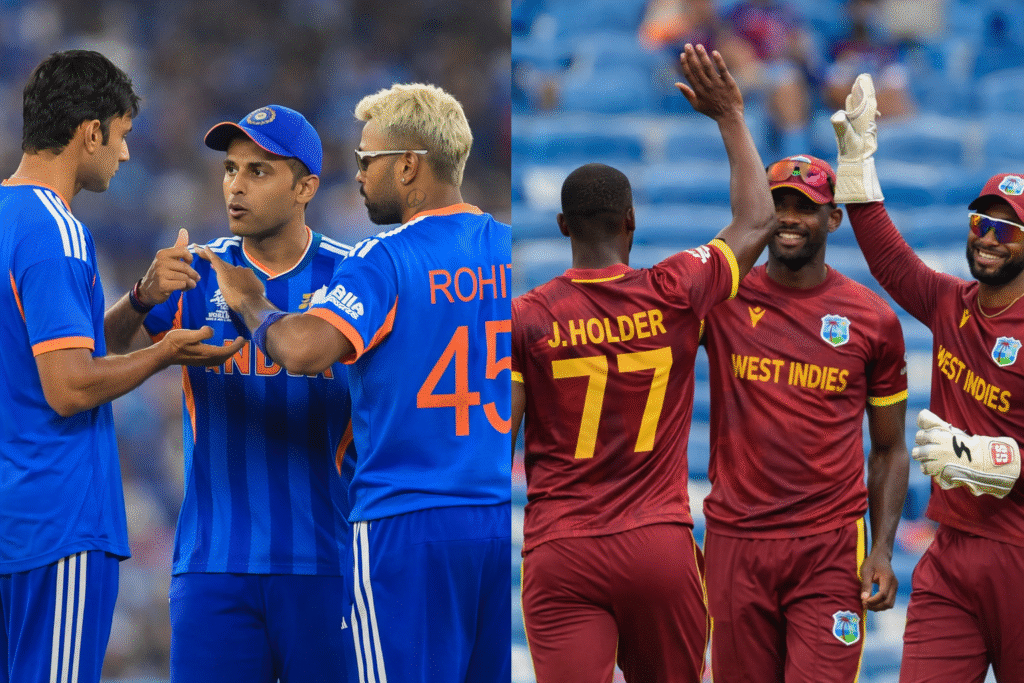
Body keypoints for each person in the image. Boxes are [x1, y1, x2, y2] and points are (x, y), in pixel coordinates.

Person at [198, 83, 511, 683]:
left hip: (407, 522)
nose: (360, 176)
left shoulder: (386, 256)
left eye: (368, 161)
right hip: (499, 518)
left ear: (409, 166)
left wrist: (253, 303)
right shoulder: (504, 246)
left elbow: (303, 350)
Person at [510, 44, 777, 683]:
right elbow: (758, 219)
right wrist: (732, 116)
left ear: (561, 226)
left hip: (560, 546)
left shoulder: (525, 317)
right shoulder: (676, 290)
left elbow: (497, 439)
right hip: (657, 544)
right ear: (630, 222)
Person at [0, 50, 243, 683]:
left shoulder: (6, 220)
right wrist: (166, 351)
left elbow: (54, 355)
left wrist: (140, 300)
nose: (126, 154)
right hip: (57, 521)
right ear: (90, 132)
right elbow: (69, 385)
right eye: (123, 135)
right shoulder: (57, 231)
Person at [103, 104, 353, 682]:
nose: (236, 185)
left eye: (258, 171)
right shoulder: (194, 270)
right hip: (212, 567)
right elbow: (109, 347)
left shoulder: (350, 276)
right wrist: (141, 295)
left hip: (325, 561)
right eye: (230, 169)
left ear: (305, 187)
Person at [833, 73, 1024, 683]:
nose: (989, 239)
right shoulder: (951, 303)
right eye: (980, 223)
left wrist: (998, 459)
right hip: (952, 556)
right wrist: (857, 165)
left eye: (1007, 230)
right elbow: (890, 259)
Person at [700, 152, 909, 682]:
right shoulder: (720, 299)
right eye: (778, 205)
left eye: (806, 207)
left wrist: (882, 551)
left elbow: (889, 448)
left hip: (830, 550)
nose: (789, 218)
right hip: (736, 544)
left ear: (834, 219)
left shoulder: (873, 319)